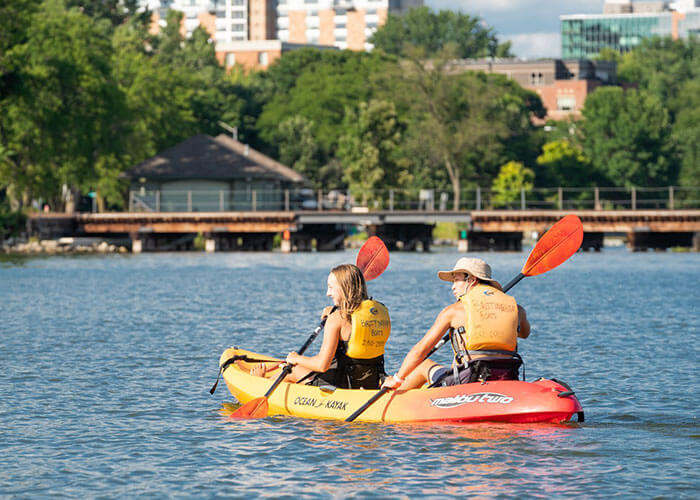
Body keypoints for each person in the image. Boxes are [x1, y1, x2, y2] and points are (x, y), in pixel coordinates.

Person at [382, 257, 530, 391]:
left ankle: (393, 398)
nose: (453, 287)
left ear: (471, 280)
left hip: (469, 380)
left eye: (456, 280)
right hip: (507, 375)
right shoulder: (517, 309)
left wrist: (397, 378)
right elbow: (524, 333)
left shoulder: (453, 312)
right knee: (451, 367)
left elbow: (420, 350)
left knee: (422, 365)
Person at [252, 263, 391, 390]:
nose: (328, 293)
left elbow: (321, 365)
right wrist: (334, 310)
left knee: (293, 370)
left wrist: (295, 358)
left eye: (331, 287)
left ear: (344, 288)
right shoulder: (379, 311)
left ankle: (260, 384)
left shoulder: (337, 319)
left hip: (341, 386)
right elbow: (355, 320)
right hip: (370, 382)